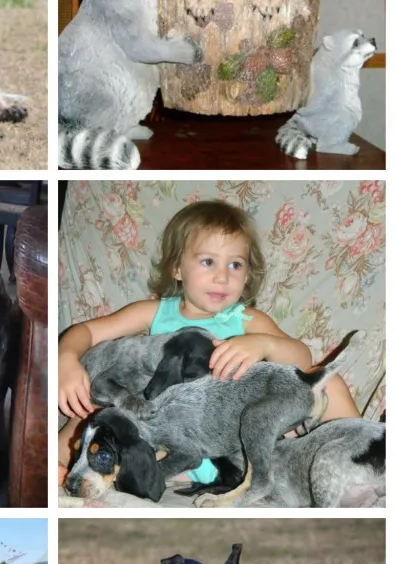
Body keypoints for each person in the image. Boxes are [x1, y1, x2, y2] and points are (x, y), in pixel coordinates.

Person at [58, 199, 361, 482]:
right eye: (207, 262)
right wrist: (67, 360)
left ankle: (366, 453)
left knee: (328, 383)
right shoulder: (154, 312)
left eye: (235, 265)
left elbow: (302, 360)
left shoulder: (248, 320)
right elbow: (88, 331)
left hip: (233, 440)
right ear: (177, 268)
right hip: (162, 440)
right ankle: (58, 468)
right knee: (94, 409)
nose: (222, 276)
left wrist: (264, 345)